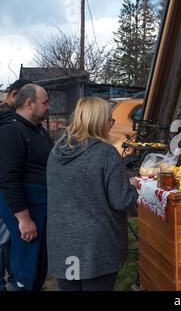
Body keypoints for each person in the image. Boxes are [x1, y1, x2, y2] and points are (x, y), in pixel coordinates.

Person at [46, 97, 138, 291]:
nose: (111, 125)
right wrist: (134, 188)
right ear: (99, 121)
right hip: (96, 247)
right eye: (110, 120)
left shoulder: (55, 152)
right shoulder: (105, 153)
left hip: (63, 242)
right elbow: (122, 200)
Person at [0, 84, 53, 291]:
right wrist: (23, 219)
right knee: (26, 271)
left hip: (41, 210)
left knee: (39, 266)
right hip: (26, 212)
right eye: (45, 102)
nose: (49, 107)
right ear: (29, 103)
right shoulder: (11, 131)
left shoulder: (38, 130)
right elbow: (6, 178)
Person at [0, 79, 33, 291]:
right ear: (13, 95)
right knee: (3, 241)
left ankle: (14, 280)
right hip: (5, 189)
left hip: (8, 190)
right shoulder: (6, 120)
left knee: (9, 239)